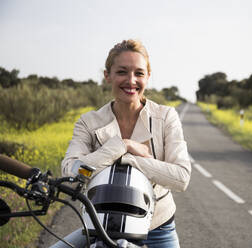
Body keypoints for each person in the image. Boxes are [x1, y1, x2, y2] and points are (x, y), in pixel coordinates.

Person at [61, 39, 191, 248]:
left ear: (148, 77)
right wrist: (122, 145)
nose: (131, 81)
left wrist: (129, 159)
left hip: (158, 228)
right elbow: (72, 172)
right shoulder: (89, 122)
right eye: (122, 72)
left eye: (139, 73)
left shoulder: (166, 117)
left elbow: (182, 177)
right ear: (107, 76)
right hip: (103, 226)